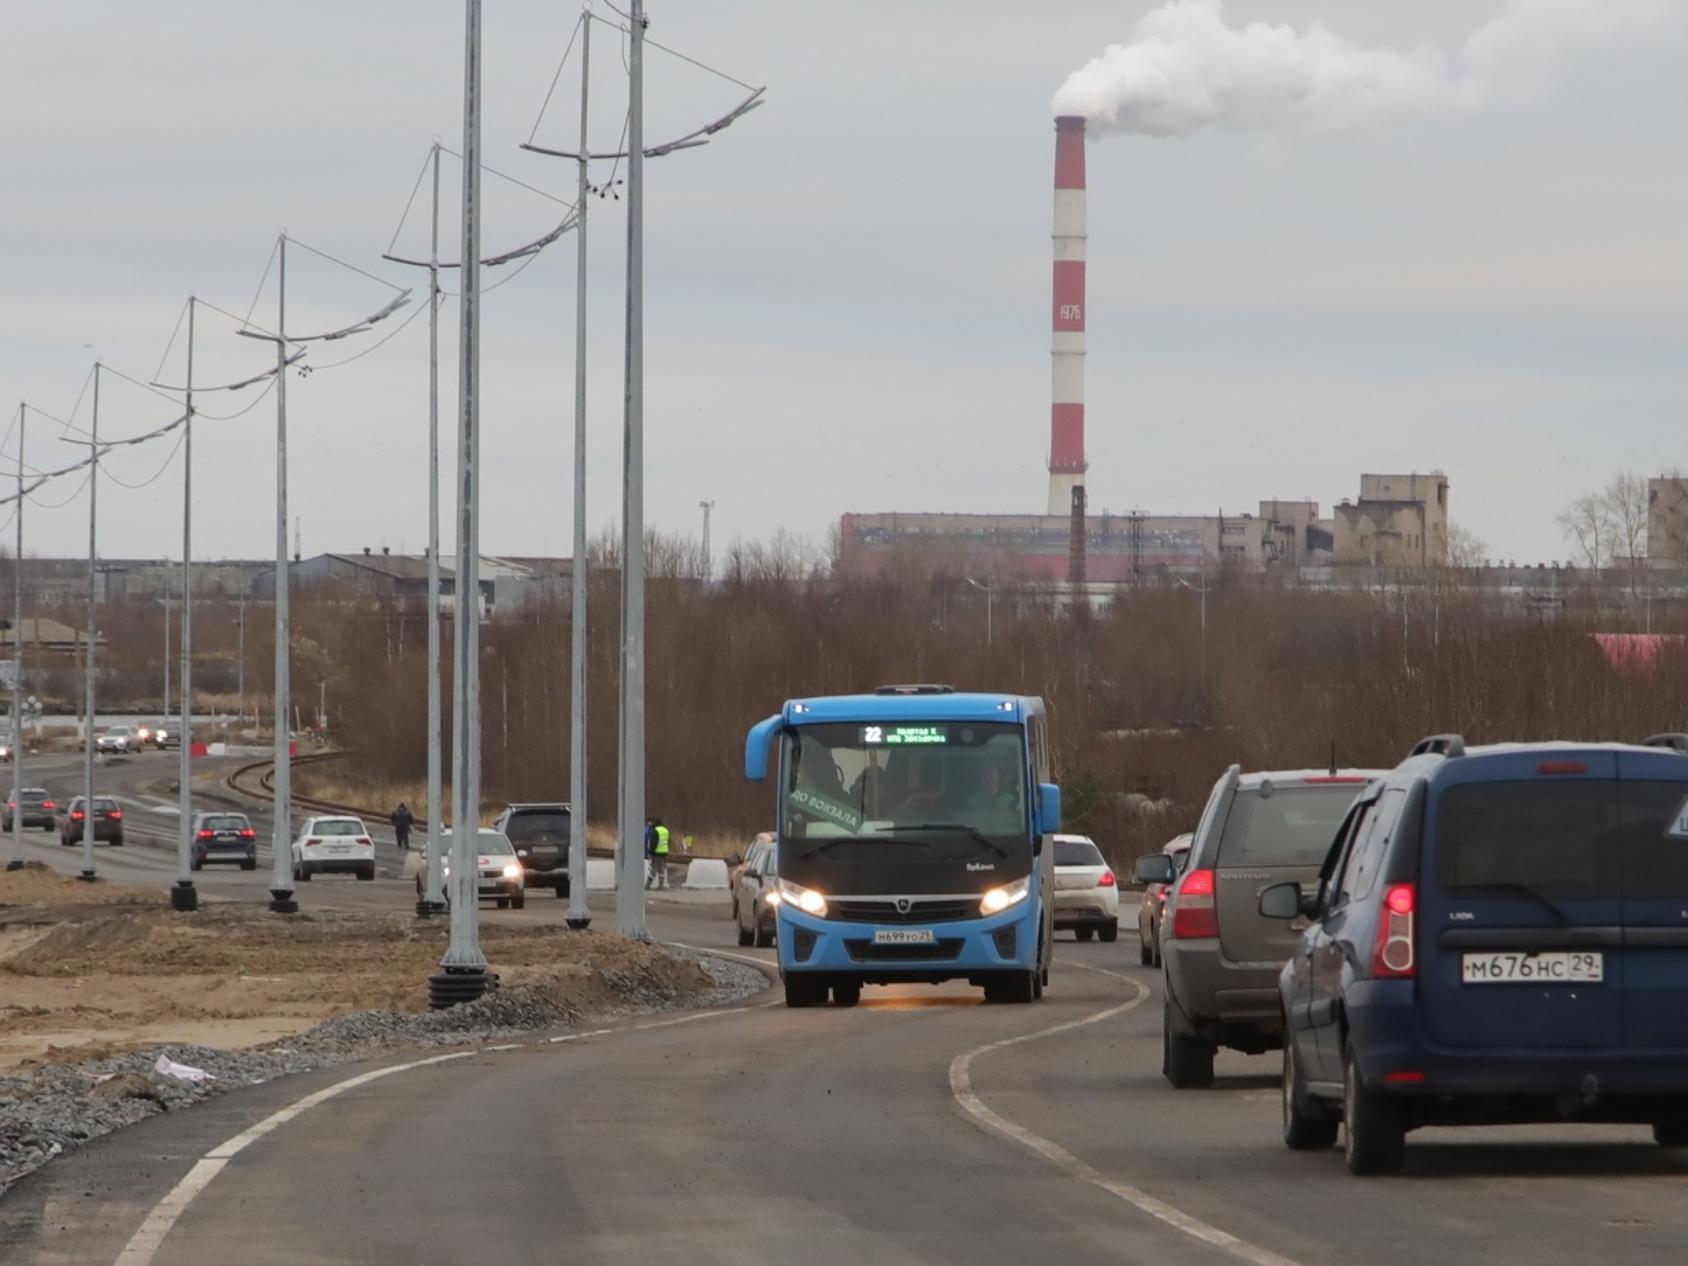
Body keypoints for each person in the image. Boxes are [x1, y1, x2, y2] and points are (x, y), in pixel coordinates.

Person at [646, 818, 672, 890]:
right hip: (664, 853)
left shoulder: (655, 831)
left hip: (657, 853)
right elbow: (669, 841)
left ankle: (647, 885)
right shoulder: (666, 830)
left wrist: (651, 853)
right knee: (662, 870)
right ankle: (661, 885)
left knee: (653, 869)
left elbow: (653, 843)